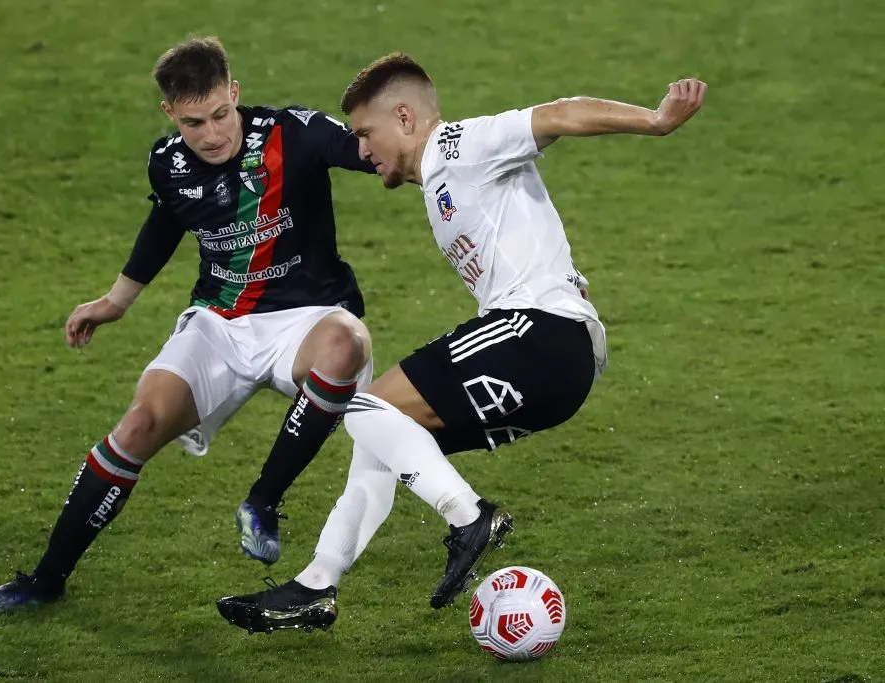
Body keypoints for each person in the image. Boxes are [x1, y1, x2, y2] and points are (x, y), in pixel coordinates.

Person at [216, 53, 707, 632]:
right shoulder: (440, 182)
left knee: (363, 405)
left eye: (366, 135)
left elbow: (557, 115)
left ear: (404, 117)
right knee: (383, 437)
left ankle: (470, 517)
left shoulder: (458, 146)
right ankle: (315, 587)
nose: (363, 151)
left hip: (539, 336)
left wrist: (656, 120)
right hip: (554, 360)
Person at [0, 36, 379, 613]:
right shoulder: (167, 162)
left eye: (221, 114)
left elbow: (374, 151)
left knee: (346, 343)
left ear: (234, 93)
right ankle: (46, 580)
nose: (212, 134)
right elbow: (166, 223)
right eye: (195, 123)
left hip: (306, 316)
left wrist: (435, 163)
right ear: (170, 114)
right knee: (137, 425)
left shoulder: (295, 133)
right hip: (219, 321)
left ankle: (262, 501)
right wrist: (115, 302)